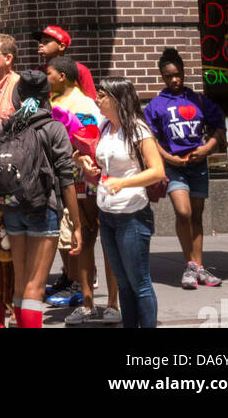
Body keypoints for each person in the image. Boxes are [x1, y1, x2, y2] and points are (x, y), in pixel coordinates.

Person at [0, 69, 81, 330]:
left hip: (11, 209)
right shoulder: (54, 128)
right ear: (47, 97)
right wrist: (76, 224)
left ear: (18, 96)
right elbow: (67, 178)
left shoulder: (5, 127)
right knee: (36, 285)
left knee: (21, 282)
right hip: (43, 209)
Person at [79, 77, 164, 329]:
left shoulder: (138, 129)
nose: (98, 99)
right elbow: (103, 166)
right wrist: (84, 163)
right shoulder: (105, 127)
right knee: (123, 283)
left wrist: (122, 183)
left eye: (103, 95)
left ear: (117, 100)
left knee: (140, 283)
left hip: (133, 214)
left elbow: (157, 171)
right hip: (107, 213)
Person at [46, 56, 119, 325]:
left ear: (63, 76)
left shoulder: (84, 105)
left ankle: (112, 303)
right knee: (83, 238)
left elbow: (92, 140)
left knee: (103, 237)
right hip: (71, 179)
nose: (46, 77)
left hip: (90, 179)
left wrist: (82, 157)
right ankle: (86, 302)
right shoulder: (51, 103)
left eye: (49, 72)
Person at [144, 47, 225, 289]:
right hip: (174, 166)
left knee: (198, 216)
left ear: (184, 72)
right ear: (162, 77)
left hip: (198, 164)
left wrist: (207, 148)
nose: (174, 80)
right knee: (184, 213)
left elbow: (219, 127)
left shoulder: (198, 99)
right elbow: (150, 139)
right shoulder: (156, 105)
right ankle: (190, 264)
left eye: (178, 74)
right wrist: (168, 158)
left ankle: (198, 267)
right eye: (169, 76)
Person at [37, 25, 96, 99]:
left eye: (46, 41)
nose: (41, 45)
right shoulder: (38, 71)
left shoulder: (80, 69)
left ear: (61, 47)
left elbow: (91, 101)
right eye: (40, 41)